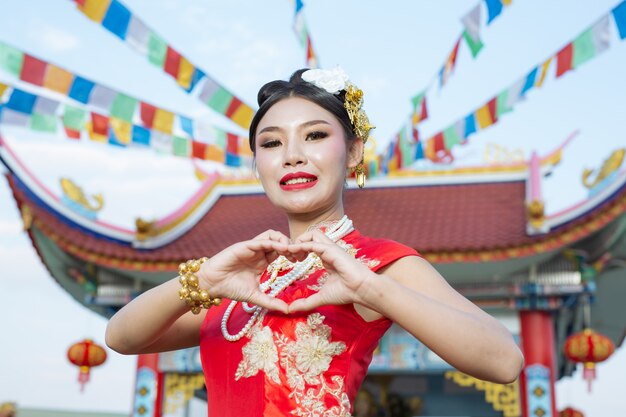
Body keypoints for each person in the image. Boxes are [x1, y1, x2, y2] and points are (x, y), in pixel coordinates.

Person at [106, 67, 523, 416]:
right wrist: (204, 279)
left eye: (315, 135)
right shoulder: (242, 277)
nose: (291, 155)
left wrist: (371, 289)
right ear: (258, 165)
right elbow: (122, 337)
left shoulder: (377, 263)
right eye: (271, 143)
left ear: (355, 151)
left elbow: (505, 361)